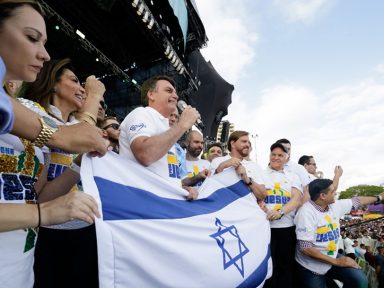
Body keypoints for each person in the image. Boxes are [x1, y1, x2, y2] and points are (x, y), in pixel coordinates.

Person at [0, 2, 100, 287]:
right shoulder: (30, 110)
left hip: (21, 266)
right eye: (32, 38)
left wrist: (79, 164)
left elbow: (36, 195)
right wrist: (93, 96)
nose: (44, 54)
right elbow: (74, 135)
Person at [21, 58, 104, 287]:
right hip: (47, 233)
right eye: (75, 81)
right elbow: (40, 197)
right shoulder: (31, 116)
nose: (82, 89)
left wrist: (80, 163)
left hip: (87, 230)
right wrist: (94, 94)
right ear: (54, 83)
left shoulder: (83, 127)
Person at [119, 75, 200, 199]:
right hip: (142, 202)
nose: (176, 96)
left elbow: (163, 174)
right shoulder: (142, 113)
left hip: (163, 203)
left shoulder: (167, 130)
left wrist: (181, 189)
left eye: (175, 92)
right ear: (151, 95)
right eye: (168, 91)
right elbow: (145, 154)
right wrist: (182, 125)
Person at [294, 178, 383, 287]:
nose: (335, 193)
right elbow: (306, 248)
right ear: (323, 196)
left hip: (332, 257)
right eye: (332, 191)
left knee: (360, 280)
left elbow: (357, 201)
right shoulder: (305, 213)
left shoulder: (334, 205)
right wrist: (338, 262)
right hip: (311, 266)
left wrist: (379, 197)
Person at [263, 142, 302, 288]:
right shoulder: (261, 173)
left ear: (287, 158)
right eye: (273, 154)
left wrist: (279, 213)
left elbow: (297, 199)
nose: (276, 158)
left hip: (286, 228)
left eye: (280, 155)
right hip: (265, 228)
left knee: (285, 267)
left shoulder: (293, 176)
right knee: (267, 266)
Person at [210, 130, 266, 201]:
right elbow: (208, 187)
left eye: (249, 142)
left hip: (248, 210)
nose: (248, 145)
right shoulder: (218, 161)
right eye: (244, 141)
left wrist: (247, 179)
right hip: (224, 209)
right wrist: (222, 166)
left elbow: (262, 196)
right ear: (233, 144)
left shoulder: (255, 166)